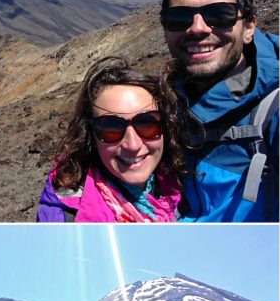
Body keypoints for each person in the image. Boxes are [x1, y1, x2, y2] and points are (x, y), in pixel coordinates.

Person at [160, 0, 279, 221]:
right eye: (179, 18)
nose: (198, 28)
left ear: (248, 26)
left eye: (219, 15)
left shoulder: (274, 112)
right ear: (165, 28)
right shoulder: (162, 102)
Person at [36, 56, 186, 221]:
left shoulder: (183, 186)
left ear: (165, 126)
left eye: (147, 124)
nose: (133, 145)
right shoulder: (63, 220)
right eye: (111, 128)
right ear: (91, 135)